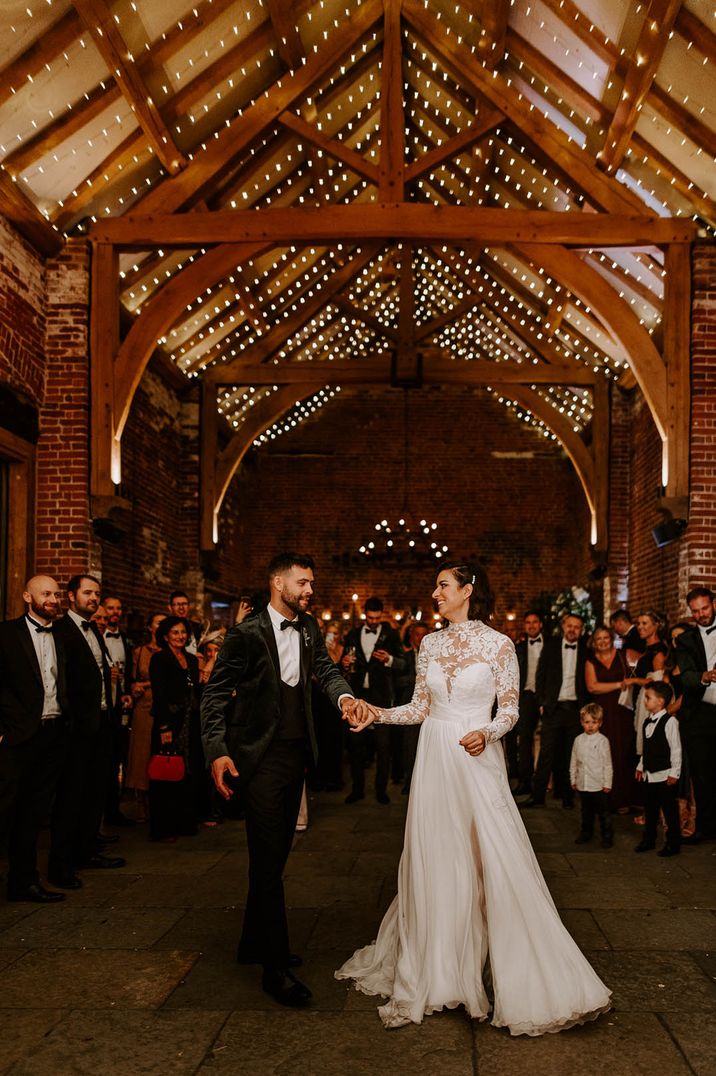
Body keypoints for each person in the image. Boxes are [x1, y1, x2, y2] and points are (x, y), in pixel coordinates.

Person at [337, 562, 611, 1034]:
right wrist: (375, 713)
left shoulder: (500, 645)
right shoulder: (429, 644)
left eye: (443, 584)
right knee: (439, 856)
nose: (435, 591)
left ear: (468, 590)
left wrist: (486, 731)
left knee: (492, 857)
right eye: (436, 585)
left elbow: (510, 708)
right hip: (435, 760)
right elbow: (421, 707)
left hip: (476, 757)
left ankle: (505, 966)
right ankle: (440, 971)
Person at [200, 552, 362, 1009]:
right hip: (259, 760)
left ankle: (253, 943)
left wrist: (344, 696)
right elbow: (213, 696)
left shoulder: (309, 628)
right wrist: (217, 751)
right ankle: (274, 968)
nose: (310, 590)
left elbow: (325, 672)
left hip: (295, 758)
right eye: (303, 582)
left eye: (312, 582)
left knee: (275, 855)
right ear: (277, 582)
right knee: (269, 859)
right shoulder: (245, 634)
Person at [49, 575, 125, 889]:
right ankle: (61, 865)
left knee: (95, 791)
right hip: (79, 727)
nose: (93, 598)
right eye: (87, 593)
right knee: (71, 797)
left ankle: (87, 850)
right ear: (71, 596)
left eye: (97, 593)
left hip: (102, 721)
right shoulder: (62, 630)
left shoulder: (94, 627)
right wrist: (72, 720)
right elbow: (61, 679)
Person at [0, 576, 69, 903]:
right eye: (46, 594)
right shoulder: (6, 634)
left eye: (56, 594)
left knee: (34, 811)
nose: (53, 599)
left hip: (52, 733)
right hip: (16, 736)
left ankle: (24, 881)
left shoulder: (63, 635)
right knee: (5, 808)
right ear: (28, 596)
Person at [341, 598, 405, 805]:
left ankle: (381, 790)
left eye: (377, 618)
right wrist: (344, 662)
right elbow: (342, 663)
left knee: (383, 746)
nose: (374, 621)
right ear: (365, 615)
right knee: (355, 745)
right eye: (370, 617)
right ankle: (357, 789)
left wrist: (389, 659)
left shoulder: (391, 635)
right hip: (358, 697)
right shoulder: (352, 634)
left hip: (382, 698)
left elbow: (403, 664)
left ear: (382, 615)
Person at [523, 613, 588, 809]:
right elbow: (540, 674)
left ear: (581, 630)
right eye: (570, 625)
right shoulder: (551, 646)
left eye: (577, 627)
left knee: (571, 754)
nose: (573, 629)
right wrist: (542, 701)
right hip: (553, 708)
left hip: (575, 710)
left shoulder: (586, 650)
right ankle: (538, 796)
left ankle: (567, 796)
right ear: (563, 626)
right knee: (546, 754)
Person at [148, 617, 203, 842]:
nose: (180, 636)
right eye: (175, 632)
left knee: (187, 771)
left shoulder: (191, 659)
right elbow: (159, 695)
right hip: (170, 722)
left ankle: (185, 822)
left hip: (190, 721)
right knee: (166, 773)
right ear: (165, 636)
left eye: (183, 632)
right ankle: (164, 827)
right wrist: (164, 726)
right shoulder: (159, 659)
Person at [675, 586, 716, 842]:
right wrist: (705, 676)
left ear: (714, 604)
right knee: (702, 776)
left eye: (705, 608)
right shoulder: (685, 640)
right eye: (696, 611)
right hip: (701, 715)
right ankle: (706, 828)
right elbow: (687, 677)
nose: (702, 614)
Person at [584, 624, 635, 812]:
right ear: (594, 642)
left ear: (611, 639)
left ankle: (623, 799)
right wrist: (619, 684)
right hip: (602, 712)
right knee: (604, 753)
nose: (603, 641)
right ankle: (604, 800)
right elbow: (592, 687)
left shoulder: (624, 656)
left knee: (623, 751)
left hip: (623, 709)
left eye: (606, 637)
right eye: (599, 639)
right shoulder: (590, 661)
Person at [125, 613, 165, 824]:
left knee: (160, 753)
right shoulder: (139, 652)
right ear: (150, 627)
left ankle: (160, 800)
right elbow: (130, 682)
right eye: (158, 622)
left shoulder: (171, 652)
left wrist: (148, 684)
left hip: (162, 705)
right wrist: (134, 689)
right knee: (141, 753)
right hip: (143, 708)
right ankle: (141, 803)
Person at [635, 682, 682, 857]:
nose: (645, 701)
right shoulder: (647, 721)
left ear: (660, 702)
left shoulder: (670, 722)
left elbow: (676, 749)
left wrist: (674, 773)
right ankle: (649, 839)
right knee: (650, 809)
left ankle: (673, 843)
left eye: (648, 698)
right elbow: (646, 749)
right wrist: (641, 766)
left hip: (664, 775)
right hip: (649, 775)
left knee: (669, 811)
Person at [102, 595, 134, 827]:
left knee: (116, 760)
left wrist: (125, 691)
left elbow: (128, 673)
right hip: (99, 707)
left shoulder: (124, 639)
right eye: (110, 608)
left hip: (117, 706)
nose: (115, 612)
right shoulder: (96, 636)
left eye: (118, 608)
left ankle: (113, 811)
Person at [570, 702, 613, 848]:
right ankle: (586, 833)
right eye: (587, 722)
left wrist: (607, 783)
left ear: (600, 723)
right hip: (583, 783)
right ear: (582, 722)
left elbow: (607, 764)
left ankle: (607, 836)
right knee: (585, 812)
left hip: (598, 785)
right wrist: (573, 778)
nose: (590, 726)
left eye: (594, 722)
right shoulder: (578, 740)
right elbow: (574, 761)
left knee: (603, 813)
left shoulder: (603, 741)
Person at [394, 621, 430, 795]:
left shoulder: (437, 655)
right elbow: (397, 681)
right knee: (409, 745)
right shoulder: (404, 656)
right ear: (411, 636)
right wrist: (418, 680)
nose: (421, 638)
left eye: (424, 634)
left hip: (433, 708)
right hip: (410, 705)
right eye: (417, 634)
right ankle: (410, 781)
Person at [513, 610, 544, 796]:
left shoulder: (551, 646)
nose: (532, 625)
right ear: (525, 626)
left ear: (540, 625)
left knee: (548, 741)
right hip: (525, 697)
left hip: (545, 697)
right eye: (528, 622)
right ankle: (525, 782)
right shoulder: (519, 648)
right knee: (524, 740)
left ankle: (544, 782)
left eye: (535, 622)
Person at [168, 590, 203, 655]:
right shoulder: (165, 627)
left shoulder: (197, 627)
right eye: (177, 604)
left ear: (189, 607)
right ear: (170, 608)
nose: (181, 607)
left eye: (184, 604)